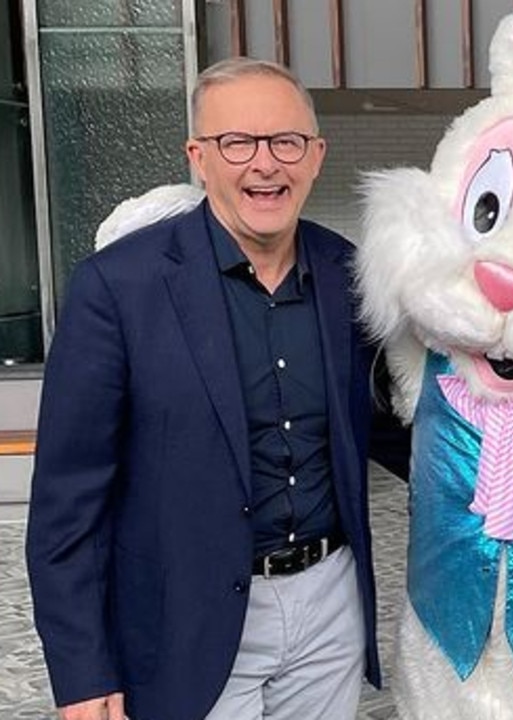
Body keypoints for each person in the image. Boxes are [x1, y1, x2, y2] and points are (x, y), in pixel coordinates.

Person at [26, 57, 409, 720]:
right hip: (187, 619)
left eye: (286, 141)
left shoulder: (350, 275)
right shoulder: (118, 288)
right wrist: (84, 672)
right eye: (238, 143)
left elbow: (393, 426)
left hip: (328, 608)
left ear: (316, 156)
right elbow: (68, 503)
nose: (265, 164)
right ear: (199, 157)